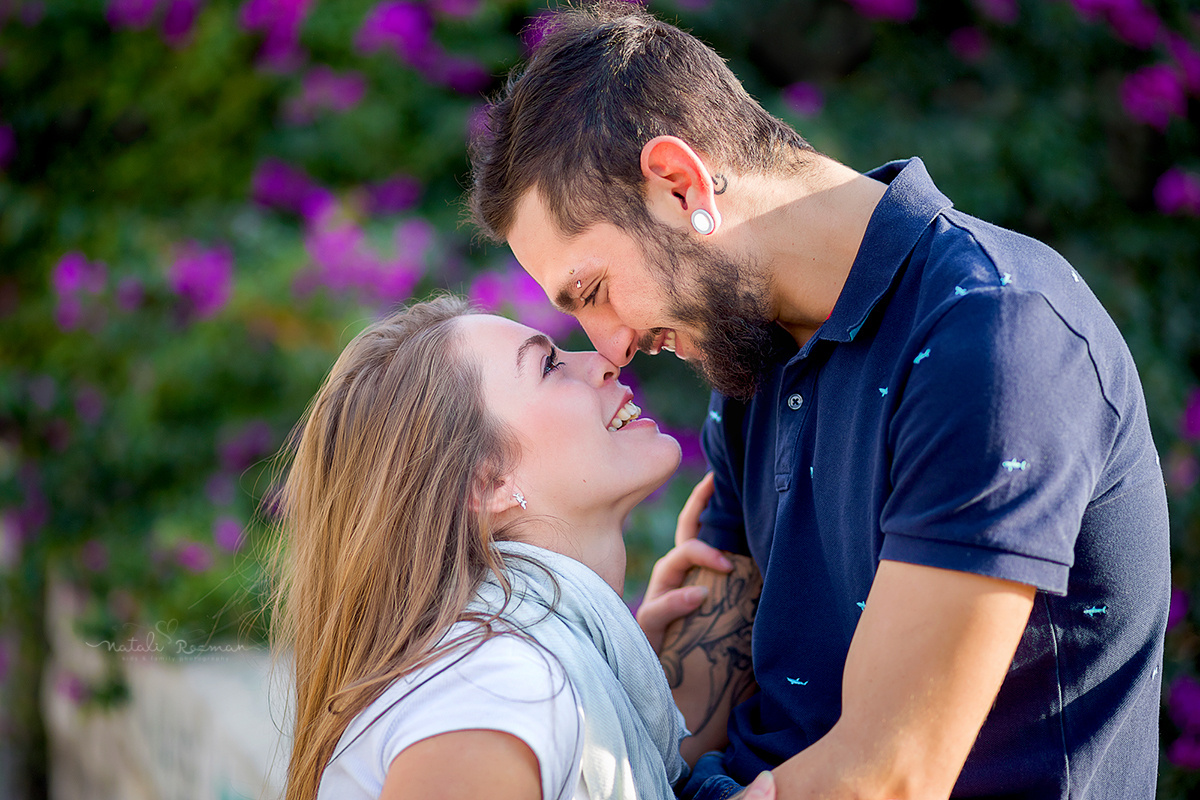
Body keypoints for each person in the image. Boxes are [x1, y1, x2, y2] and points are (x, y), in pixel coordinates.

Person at [467, 3, 1171, 798]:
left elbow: (889, 776)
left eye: (593, 290)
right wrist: (625, 672)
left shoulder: (995, 333)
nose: (610, 346)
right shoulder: (753, 357)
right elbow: (692, 724)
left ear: (678, 180)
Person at [267, 295, 777, 800]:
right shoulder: (493, 683)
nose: (605, 360)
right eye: (548, 365)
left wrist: (629, 672)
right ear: (486, 483)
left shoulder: (505, 665)